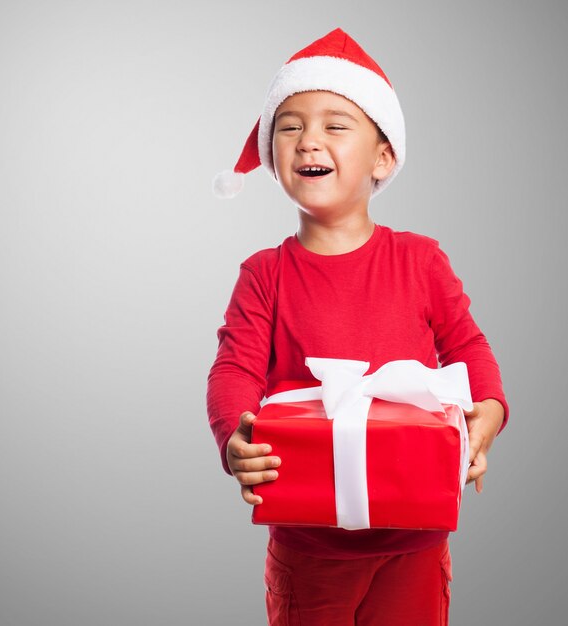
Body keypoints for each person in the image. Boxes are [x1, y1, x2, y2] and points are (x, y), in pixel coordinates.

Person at [207, 28, 509, 626]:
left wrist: (489, 413)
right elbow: (235, 369)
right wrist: (233, 436)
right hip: (307, 545)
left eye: (334, 125)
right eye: (288, 126)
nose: (307, 140)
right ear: (272, 159)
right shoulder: (264, 274)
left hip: (415, 542)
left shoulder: (420, 260)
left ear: (384, 155)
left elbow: (467, 347)